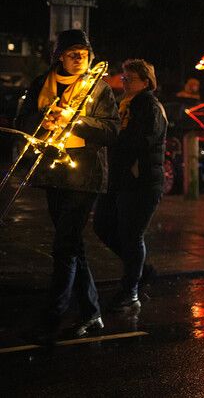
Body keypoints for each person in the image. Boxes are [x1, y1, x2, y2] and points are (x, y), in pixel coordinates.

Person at [17, 29, 120, 342]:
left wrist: (75, 120)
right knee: (72, 244)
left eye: (85, 53)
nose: (80, 59)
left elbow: (112, 130)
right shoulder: (41, 84)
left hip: (84, 175)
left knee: (64, 245)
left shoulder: (97, 88)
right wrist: (43, 121)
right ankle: (92, 313)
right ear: (59, 55)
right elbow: (22, 122)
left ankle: (53, 314)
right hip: (53, 172)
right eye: (74, 53)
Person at [93, 59, 167, 310]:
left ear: (146, 82)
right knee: (103, 225)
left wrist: (110, 137)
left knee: (131, 234)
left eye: (130, 78)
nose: (124, 82)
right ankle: (141, 271)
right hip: (119, 180)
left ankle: (130, 290)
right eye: (123, 77)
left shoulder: (149, 106)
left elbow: (141, 141)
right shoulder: (124, 103)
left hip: (141, 182)